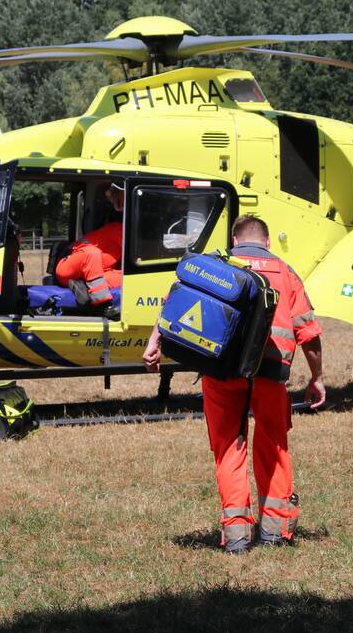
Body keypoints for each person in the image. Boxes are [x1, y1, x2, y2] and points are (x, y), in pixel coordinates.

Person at [143, 214, 325, 554]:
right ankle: (274, 532)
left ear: (235, 240)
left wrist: (153, 343)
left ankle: (237, 536)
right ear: (268, 243)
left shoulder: (216, 266)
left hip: (221, 370)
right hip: (270, 372)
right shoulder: (285, 272)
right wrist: (317, 377)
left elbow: (175, 303)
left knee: (228, 446)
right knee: (273, 444)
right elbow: (309, 333)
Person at [55, 183, 124, 310]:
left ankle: (83, 286)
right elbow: (142, 254)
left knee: (127, 278)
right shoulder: (117, 230)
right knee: (92, 253)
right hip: (67, 266)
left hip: (88, 275)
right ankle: (102, 304)